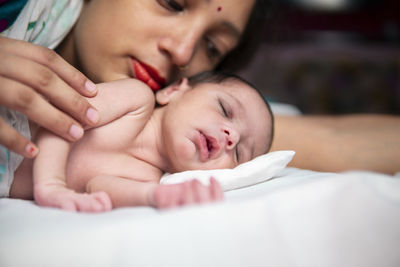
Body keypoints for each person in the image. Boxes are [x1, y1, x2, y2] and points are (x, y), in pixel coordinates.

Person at [0, 0, 399, 176]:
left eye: (213, 47)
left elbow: (327, 139)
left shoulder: (211, 126)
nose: (183, 51)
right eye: (172, 2)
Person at [7, 71, 274, 212]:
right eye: (225, 109)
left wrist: (161, 196)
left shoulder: (148, 177)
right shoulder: (136, 100)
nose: (232, 137)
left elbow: (97, 187)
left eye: (239, 152)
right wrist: (51, 185)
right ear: (173, 91)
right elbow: (65, 117)